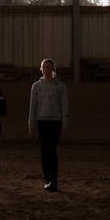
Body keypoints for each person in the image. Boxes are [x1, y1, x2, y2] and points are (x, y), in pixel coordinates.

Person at [28, 58, 69, 192]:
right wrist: (31, 123)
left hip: (55, 121)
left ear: (53, 69)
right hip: (42, 121)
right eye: (44, 67)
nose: (46, 69)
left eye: (48, 67)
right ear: (41, 69)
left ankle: (54, 179)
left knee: (52, 150)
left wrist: (65, 121)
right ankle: (47, 178)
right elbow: (33, 106)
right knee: (44, 151)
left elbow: (64, 105)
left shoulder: (60, 86)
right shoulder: (36, 86)